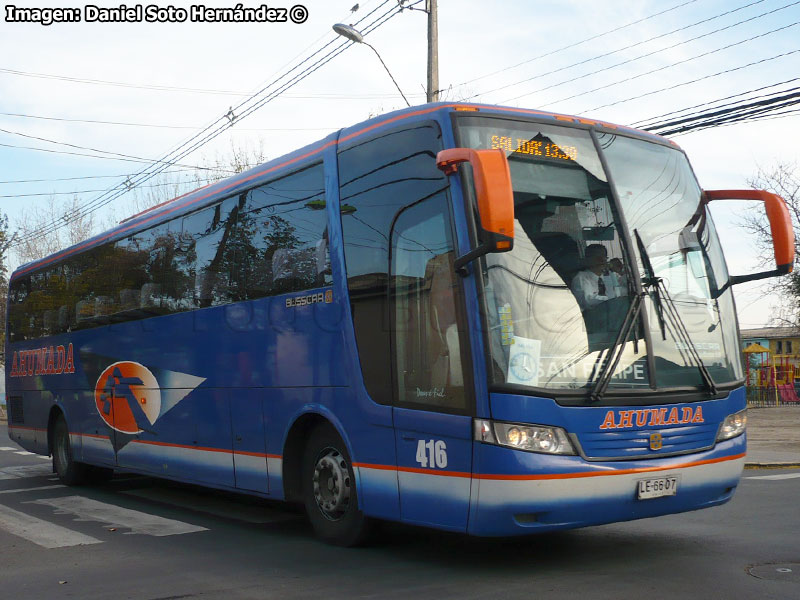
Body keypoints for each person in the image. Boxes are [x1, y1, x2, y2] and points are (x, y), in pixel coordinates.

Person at [571, 244, 620, 311]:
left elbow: (624, 288)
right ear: (588, 259)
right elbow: (588, 301)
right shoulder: (581, 278)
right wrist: (612, 298)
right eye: (598, 257)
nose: (602, 260)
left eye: (604, 257)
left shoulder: (610, 276)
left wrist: (621, 270)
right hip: (592, 318)